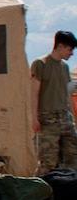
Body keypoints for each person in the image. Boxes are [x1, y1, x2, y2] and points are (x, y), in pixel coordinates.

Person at [32, 30, 77, 174]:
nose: (71, 54)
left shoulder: (64, 68)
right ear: (60, 46)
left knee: (73, 156)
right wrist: (33, 118)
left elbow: (66, 95)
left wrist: (72, 118)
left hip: (65, 117)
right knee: (48, 161)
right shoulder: (41, 64)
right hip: (48, 118)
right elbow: (34, 93)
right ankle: (42, 193)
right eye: (70, 49)